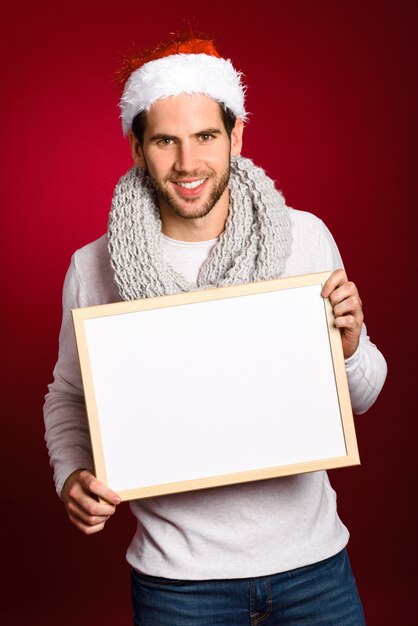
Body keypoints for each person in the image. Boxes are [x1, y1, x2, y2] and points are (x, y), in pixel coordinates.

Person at [44, 36, 387, 625]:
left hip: (316, 571)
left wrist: (350, 348)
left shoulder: (304, 238)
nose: (187, 163)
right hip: (180, 585)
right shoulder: (93, 266)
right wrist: (71, 474)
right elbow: (69, 397)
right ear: (136, 147)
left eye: (205, 136)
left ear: (237, 136)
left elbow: (362, 396)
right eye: (164, 140)